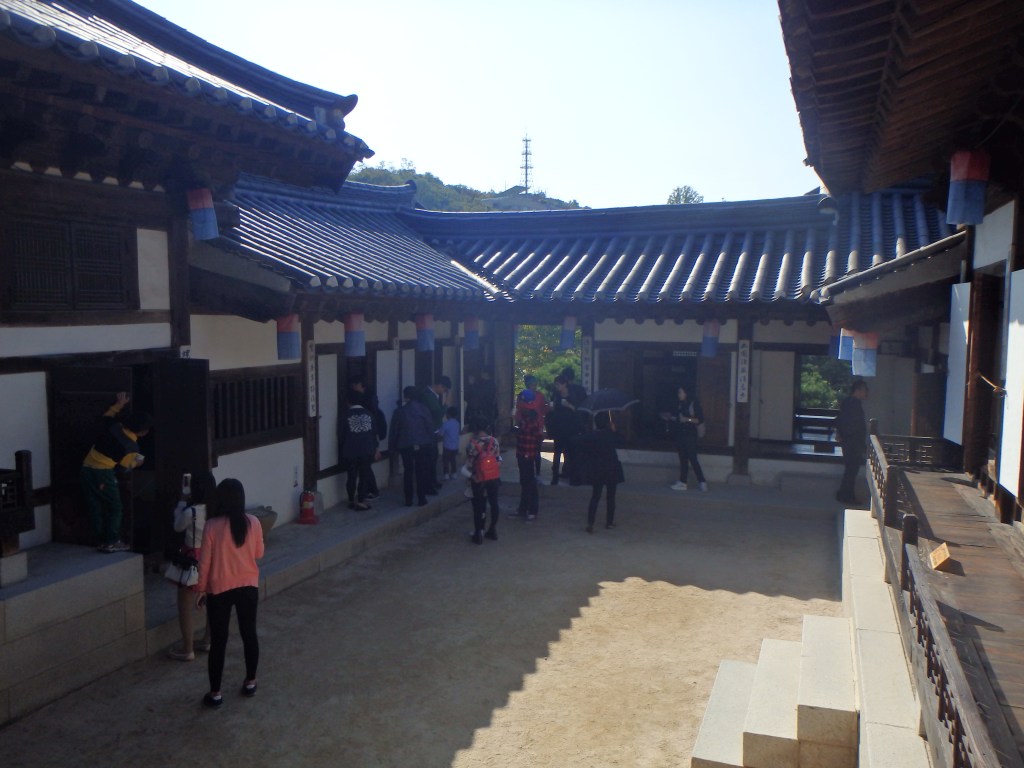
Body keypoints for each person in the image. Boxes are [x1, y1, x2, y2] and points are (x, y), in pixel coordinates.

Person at [196, 478, 264, 708]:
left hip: (219, 589)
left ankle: (215, 693)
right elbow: (259, 553)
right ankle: (251, 682)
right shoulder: (253, 522)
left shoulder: (212, 526)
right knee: (249, 634)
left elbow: (204, 564)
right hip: (248, 585)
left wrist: (200, 590)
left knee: (219, 641)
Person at [80, 391, 151, 553]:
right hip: (102, 474)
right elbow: (127, 465)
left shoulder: (115, 427)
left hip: (86, 469)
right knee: (115, 507)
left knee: (94, 506)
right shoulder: (131, 446)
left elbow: (106, 417)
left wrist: (119, 404)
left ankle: (99, 539)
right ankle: (111, 541)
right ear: (143, 432)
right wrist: (140, 461)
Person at [167, 471, 216, 662]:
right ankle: (208, 639)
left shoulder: (190, 512)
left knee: (185, 605)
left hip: (191, 559)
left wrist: (181, 500)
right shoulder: (215, 510)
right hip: (211, 557)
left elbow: (177, 526)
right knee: (211, 600)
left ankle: (187, 648)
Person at [390, 386, 436, 507]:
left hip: (405, 444)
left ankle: (408, 499)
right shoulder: (424, 409)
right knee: (421, 471)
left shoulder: (400, 411)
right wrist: (431, 441)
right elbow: (430, 427)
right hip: (422, 443)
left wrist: (392, 447)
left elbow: (394, 430)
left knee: (408, 471)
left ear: (406, 396)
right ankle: (421, 498)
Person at [581, 411, 625, 533]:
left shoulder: (593, 435)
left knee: (595, 496)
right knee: (611, 497)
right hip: (611, 468)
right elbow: (622, 442)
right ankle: (609, 522)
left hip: (598, 469)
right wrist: (614, 430)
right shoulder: (611, 434)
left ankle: (590, 522)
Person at [661, 385, 707, 492]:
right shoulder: (680, 404)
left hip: (690, 434)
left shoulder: (693, 404)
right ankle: (683, 481)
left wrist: (687, 419)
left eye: (681, 392)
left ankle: (702, 481)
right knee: (683, 459)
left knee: (692, 458)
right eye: (679, 392)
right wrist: (669, 417)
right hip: (680, 434)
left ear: (686, 393)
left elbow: (699, 420)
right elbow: (677, 417)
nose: (679, 394)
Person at [339, 391, 380, 511]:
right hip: (367, 449)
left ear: (347, 402)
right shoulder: (369, 414)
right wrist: (376, 448)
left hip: (350, 450)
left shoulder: (345, 415)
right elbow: (374, 434)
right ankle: (361, 500)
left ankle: (351, 500)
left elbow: (341, 435)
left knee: (351, 476)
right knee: (364, 475)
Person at [347, 375, 385, 501]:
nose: (353, 387)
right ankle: (368, 493)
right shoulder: (366, 400)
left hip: (364, 439)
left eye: (354, 384)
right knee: (365, 468)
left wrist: (376, 446)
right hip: (366, 441)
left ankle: (371, 491)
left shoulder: (369, 401)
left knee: (364, 469)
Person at [465, 417, 501, 544]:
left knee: (478, 507)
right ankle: (492, 529)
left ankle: (478, 532)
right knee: (494, 503)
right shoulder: (494, 441)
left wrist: (471, 476)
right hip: (493, 477)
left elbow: (468, 465)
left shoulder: (472, 443)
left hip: (478, 479)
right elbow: (498, 459)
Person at [835, 380, 869, 504]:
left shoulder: (849, 402)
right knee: (851, 469)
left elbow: (840, 419)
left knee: (850, 469)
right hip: (852, 441)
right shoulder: (852, 404)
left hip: (850, 440)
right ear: (858, 390)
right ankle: (847, 496)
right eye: (865, 390)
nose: (866, 393)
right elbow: (852, 424)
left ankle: (843, 493)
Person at [547, 375, 583, 485]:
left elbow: (578, 411)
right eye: (556, 384)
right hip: (559, 428)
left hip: (571, 429)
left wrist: (569, 405)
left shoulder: (573, 395)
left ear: (564, 384)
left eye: (558, 384)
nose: (557, 387)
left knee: (571, 454)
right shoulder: (556, 395)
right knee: (557, 453)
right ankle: (555, 477)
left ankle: (572, 476)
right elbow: (552, 411)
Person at [419, 375, 451, 492]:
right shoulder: (428, 396)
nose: (444, 392)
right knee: (429, 459)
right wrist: (446, 404)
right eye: (444, 389)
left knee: (433, 458)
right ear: (439, 386)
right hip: (428, 432)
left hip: (432, 431)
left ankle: (432, 481)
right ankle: (428, 485)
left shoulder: (431, 395)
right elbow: (438, 413)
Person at [515, 375, 548, 477]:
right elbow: (543, 410)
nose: (534, 386)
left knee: (534, 450)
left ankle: (533, 472)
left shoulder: (526, 395)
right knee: (534, 450)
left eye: (535, 384)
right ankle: (532, 472)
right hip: (532, 425)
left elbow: (519, 410)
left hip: (532, 425)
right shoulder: (538, 396)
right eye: (532, 384)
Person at [514, 405, 543, 521]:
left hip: (527, 455)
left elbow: (538, 437)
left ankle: (532, 509)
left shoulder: (531, 424)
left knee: (530, 483)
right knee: (525, 482)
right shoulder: (525, 423)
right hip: (522, 454)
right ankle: (523, 508)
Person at [441, 406, 461, 480]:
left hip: (447, 446)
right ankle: (454, 473)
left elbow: (441, 433)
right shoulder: (457, 424)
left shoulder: (446, 424)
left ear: (448, 415)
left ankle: (446, 474)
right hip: (455, 446)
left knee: (445, 460)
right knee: (453, 460)